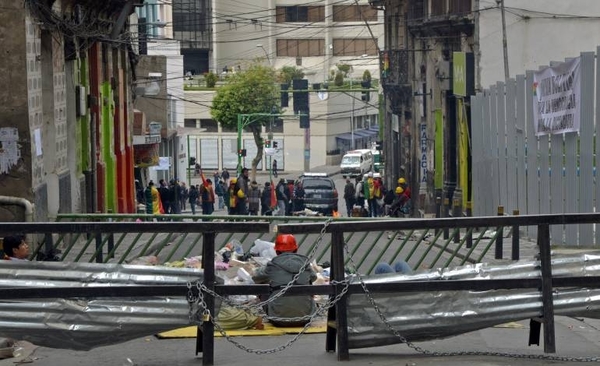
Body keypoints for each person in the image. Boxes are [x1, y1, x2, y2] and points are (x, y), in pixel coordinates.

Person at [252, 234, 316, 327]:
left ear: (277, 251)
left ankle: (278, 308)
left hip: (277, 319)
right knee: (308, 283)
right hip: (305, 318)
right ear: (296, 249)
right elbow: (314, 277)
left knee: (263, 284)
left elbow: (256, 278)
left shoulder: (272, 266)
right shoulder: (305, 265)